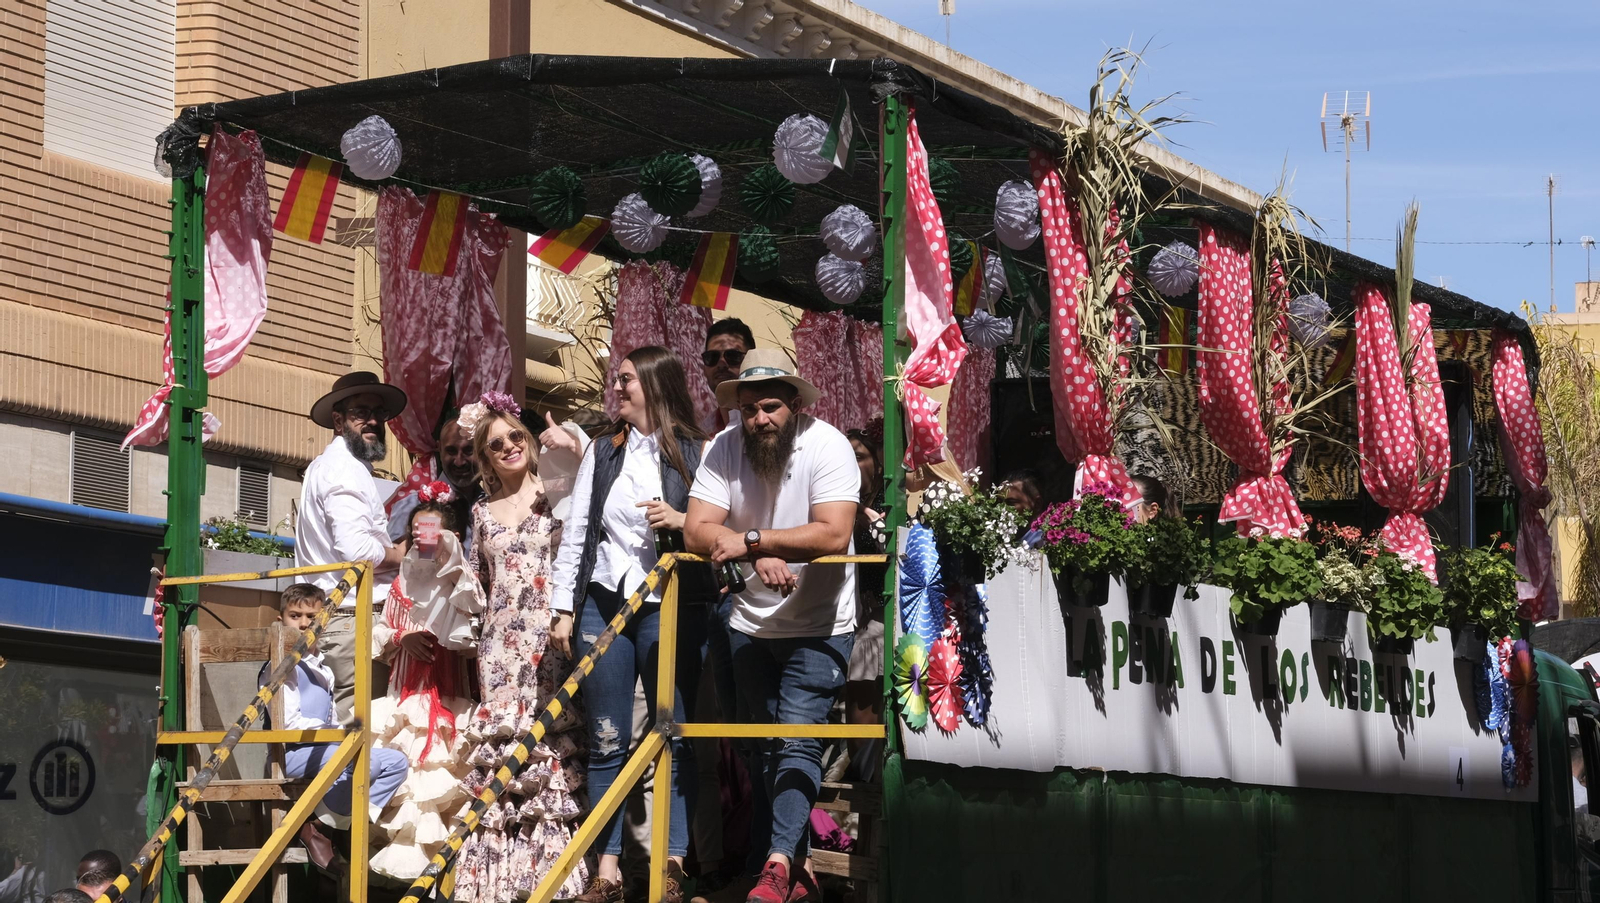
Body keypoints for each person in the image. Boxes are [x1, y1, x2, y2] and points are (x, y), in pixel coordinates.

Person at [684, 349, 860, 903]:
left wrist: (754, 539)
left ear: (795, 405)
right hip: (749, 621)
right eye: (749, 409)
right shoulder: (723, 446)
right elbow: (695, 530)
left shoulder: (827, 444)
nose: (759, 419)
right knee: (760, 745)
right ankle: (796, 866)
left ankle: (778, 862)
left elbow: (832, 534)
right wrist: (752, 553)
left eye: (770, 407)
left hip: (820, 621)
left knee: (796, 736)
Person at [547, 346, 712, 903]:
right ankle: (608, 869)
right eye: (616, 381)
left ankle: (671, 863)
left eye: (624, 381)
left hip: (668, 602)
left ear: (654, 384)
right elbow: (578, 533)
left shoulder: (696, 449)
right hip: (603, 600)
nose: (615, 390)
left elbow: (722, 527)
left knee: (670, 732)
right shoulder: (603, 450)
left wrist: (683, 520)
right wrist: (563, 607)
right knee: (606, 737)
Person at [453, 393, 589, 903]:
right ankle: (495, 881)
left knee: (549, 746)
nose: (509, 446)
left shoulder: (558, 492)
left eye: (516, 436)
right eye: (495, 444)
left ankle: (558, 879)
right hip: (498, 648)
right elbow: (475, 584)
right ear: (485, 458)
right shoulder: (481, 512)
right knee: (503, 756)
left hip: (550, 639)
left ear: (529, 441)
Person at [368, 485, 481, 881]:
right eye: (416, 529)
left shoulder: (461, 583)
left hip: (449, 697)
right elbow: (379, 633)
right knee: (411, 789)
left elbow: (473, 635)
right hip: (407, 696)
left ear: (449, 536)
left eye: (430, 528)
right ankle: (411, 878)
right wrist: (403, 637)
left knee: (447, 784)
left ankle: (450, 878)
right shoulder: (399, 585)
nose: (421, 535)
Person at [268, 584, 410, 869]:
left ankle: (322, 825)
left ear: (325, 620)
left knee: (396, 762)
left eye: (312, 616)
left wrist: (335, 733)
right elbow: (287, 721)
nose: (304, 623)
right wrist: (337, 733)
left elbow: (330, 717)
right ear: (281, 618)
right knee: (362, 764)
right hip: (292, 752)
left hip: (322, 748)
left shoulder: (324, 668)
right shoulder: (282, 665)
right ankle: (326, 827)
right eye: (295, 615)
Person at [297, 371, 409, 725]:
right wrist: (400, 555)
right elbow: (357, 551)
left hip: (346, 621)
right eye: (361, 412)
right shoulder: (342, 469)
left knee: (362, 734)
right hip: (351, 622)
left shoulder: (341, 466)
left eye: (379, 414)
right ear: (338, 420)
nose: (373, 421)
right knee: (360, 738)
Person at [842, 423, 887, 782]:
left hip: (878, 620)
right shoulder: (832, 503)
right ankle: (860, 796)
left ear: (876, 462)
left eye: (859, 456)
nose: (852, 463)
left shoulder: (888, 505)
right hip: (846, 621)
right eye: (846, 456)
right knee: (858, 710)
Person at [387, 411, 481, 547]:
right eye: (451, 451)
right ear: (439, 449)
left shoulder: (491, 506)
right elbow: (393, 563)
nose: (459, 461)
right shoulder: (413, 505)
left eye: (468, 451)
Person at [700, 318, 756, 435]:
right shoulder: (703, 433)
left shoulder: (767, 425)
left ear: (753, 362)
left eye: (732, 356)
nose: (721, 364)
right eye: (712, 357)